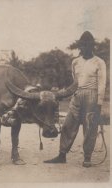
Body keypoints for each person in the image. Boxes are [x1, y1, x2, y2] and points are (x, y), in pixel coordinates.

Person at [44, 31, 106, 167]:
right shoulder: (75, 62)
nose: (85, 48)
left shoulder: (99, 62)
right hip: (78, 94)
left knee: (90, 127)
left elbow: (102, 84)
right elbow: (75, 81)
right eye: (83, 45)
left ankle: (87, 157)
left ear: (92, 46)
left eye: (88, 45)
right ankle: (62, 155)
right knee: (68, 124)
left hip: (92, 95)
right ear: (80, 46)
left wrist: (99, 103)